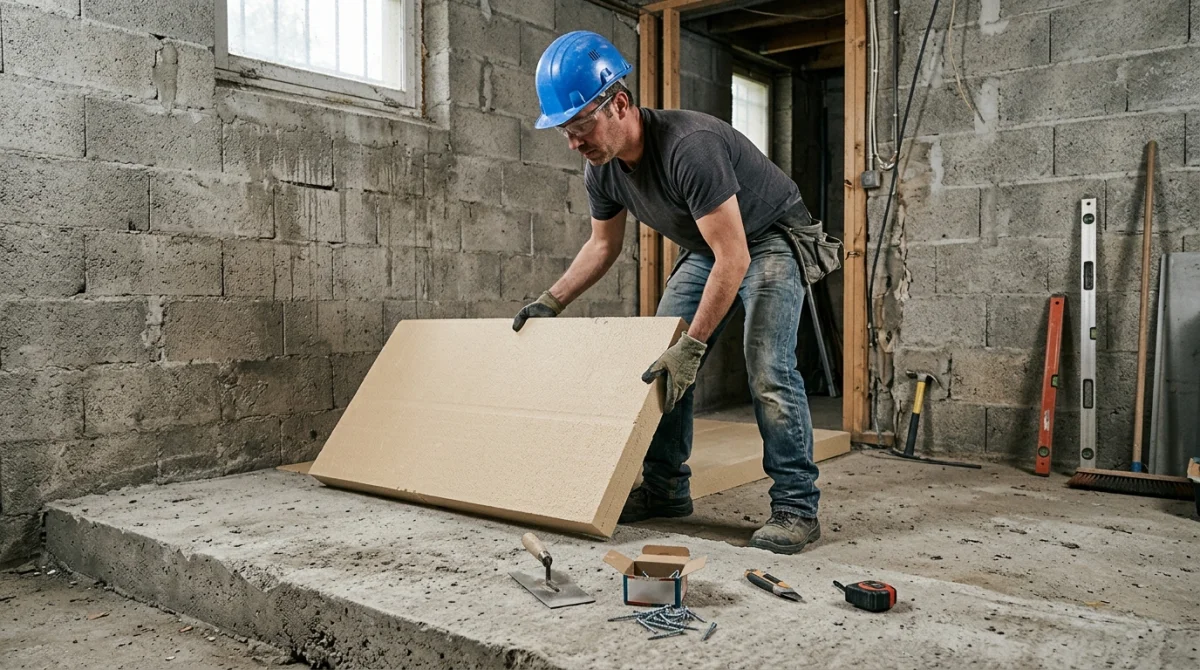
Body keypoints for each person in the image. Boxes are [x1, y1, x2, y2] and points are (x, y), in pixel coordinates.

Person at [512, 31, 827, 555]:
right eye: (563, 131)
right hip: (712, 247)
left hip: (768, 237)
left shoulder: (689, 147)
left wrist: (695, 345)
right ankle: (665, 491)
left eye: (580, 125)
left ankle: (796, 505)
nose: (573, 142)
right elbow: (601, 245)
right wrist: (552, 300)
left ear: (619, 103)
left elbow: (737, 258)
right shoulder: (602, 167)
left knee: (767, 363)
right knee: (660, 360)